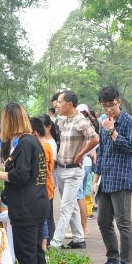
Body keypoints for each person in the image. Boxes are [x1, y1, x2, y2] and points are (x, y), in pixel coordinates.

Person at [0, 103, 50, 264]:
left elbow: (22, 175)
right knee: (36, 253)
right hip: (38, 204)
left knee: (26, 256)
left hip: (26, 207)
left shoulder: (25, 143)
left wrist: (1, 175)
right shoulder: (33, 141)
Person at [91, 85, 132, 264]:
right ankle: (113, 259)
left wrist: (112, 131)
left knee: (123, 223)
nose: (108, 109)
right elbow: (101, 153)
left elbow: (131, 147)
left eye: (111, 105)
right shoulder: (104, 123)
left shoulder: (129, 121)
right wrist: (95, 179)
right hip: (106, 179)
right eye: (104, 106)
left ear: (119, 101)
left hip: (122, 179)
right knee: (103, 221)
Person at [51, 91, 99, 249]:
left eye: (60, 102)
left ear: (69, 103)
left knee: (65, 207)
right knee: (70, 206)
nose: (57, 104)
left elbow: (95, 138)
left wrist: (81, 154)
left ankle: (55, 243)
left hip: (73, 171)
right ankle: (79, 239)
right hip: (62, 170)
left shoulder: (79, 119)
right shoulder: (64, 121)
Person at [30, 117, 55, 249]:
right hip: (46, 187)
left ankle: (45, 245)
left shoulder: (43, 147)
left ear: (34, 132)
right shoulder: (46, 145)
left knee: (44, 219)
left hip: (44, 188)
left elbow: (41, 170)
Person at [76, 104, 96, 236]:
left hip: (82, 162)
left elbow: (95, 141)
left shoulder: (82, 126)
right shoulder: (89, 125)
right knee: (81, 195)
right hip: (87, 162)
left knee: (79, 196)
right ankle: (83, 228)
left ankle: (82, 228)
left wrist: (80, 154)